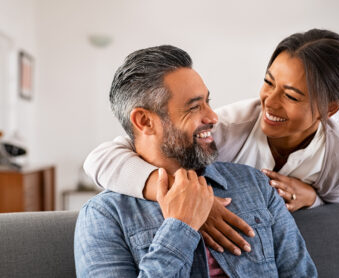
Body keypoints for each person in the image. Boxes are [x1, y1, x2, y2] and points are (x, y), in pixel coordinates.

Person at [84, 29, 339, 254]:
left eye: (291, 95)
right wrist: (182, 196)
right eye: (268, 82)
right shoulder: (228, 127)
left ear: (329, 108)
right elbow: (101, 159)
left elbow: (331, 207)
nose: (269, 102)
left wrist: (312, 198)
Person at [74, 45, 317, 277]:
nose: (212, 116)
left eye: (208, 102)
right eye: (193, 107)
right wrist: (180, 227)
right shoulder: (103, 216)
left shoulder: (257, 185)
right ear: (145, 121)